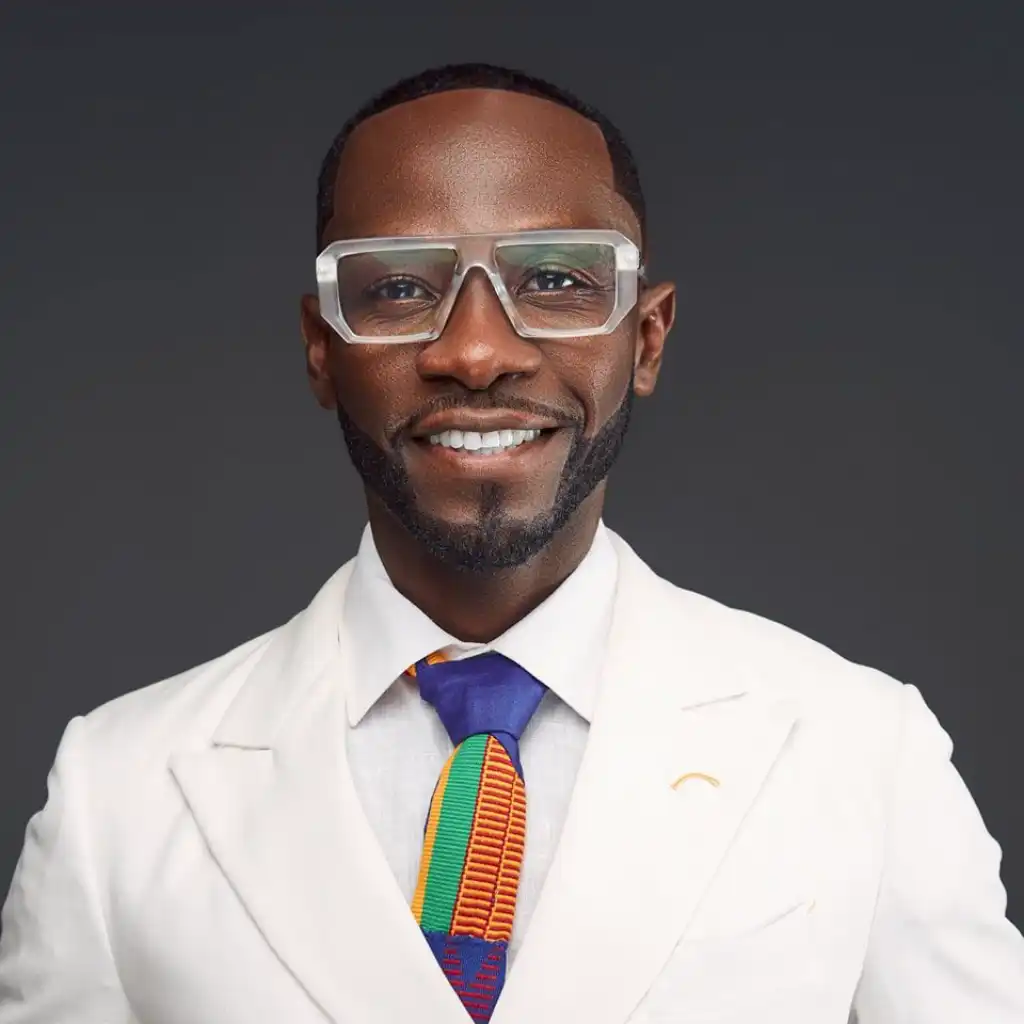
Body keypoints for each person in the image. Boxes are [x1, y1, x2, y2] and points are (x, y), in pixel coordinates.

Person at [1, 62, 1021, 1024]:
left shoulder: (863, 752)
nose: (477, 351)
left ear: (647, 338)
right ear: (321, 350)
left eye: (558, 278)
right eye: (399, 288)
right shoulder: (116, 795)